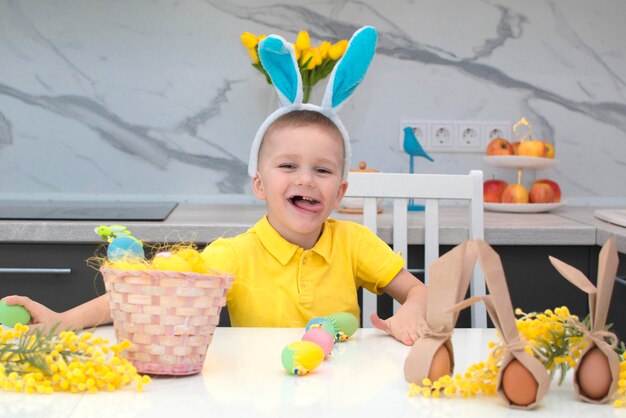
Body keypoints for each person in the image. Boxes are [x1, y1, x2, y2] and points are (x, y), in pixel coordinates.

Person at [2, 26, 427, 345]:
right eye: (288, 165)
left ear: (340, 191)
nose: (305, 180)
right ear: (259, 184)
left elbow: (419, 290)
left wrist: (414, 309)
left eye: (322, 170)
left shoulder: (354, 242)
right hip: (260, 392)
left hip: (341, 392)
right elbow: (149, 290)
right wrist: (63, 320)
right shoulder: (234, 255)